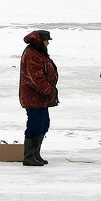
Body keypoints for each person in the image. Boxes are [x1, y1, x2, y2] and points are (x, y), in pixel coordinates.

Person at [18, 29, 58, 167]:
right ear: (40, 40)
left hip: (41, 98)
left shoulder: (38, 51)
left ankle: (35, 154)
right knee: (35, 125)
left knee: (44, 124)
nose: (48, 43)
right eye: (47, 40)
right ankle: (29, 156)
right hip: (34, 97)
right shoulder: (32, 54)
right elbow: (35, 77)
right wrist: (48, 90)